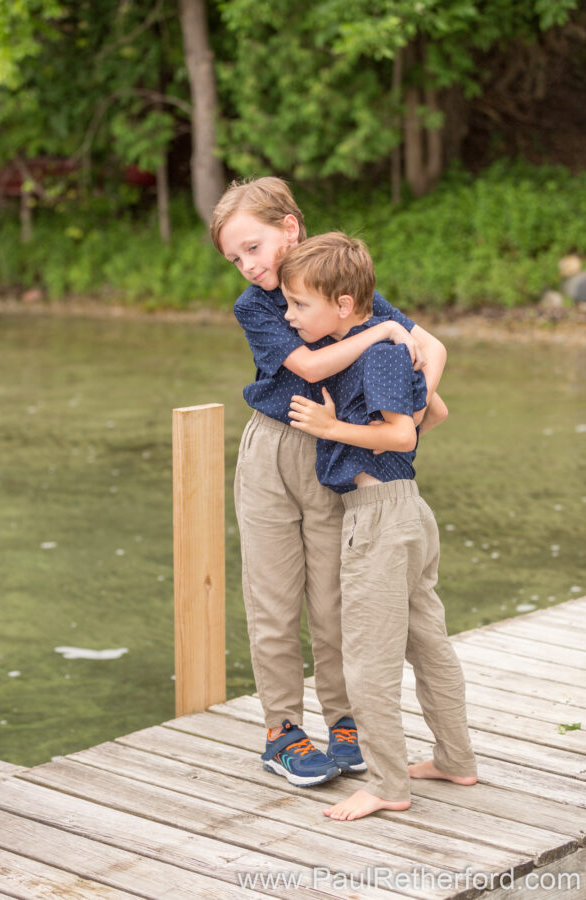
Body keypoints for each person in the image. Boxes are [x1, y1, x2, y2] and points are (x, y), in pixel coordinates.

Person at [210, 177, 448, 787]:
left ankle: (344, 720)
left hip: (333, 451)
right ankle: (282, 730)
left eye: (254, 247)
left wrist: (414, 415)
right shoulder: (255, 305)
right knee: (273, 596)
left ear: (290, 227)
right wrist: (384, 335)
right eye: (236, 259)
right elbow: (311, 365)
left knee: (333, 599)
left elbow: (433, 347)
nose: (248, 266)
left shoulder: (340, 286)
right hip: (270, 452)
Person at [281, 232, 477, 818]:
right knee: (427, 641)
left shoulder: (378, 354)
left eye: (299, 305)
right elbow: (432, 411)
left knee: (365, 657)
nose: (288, 316)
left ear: (343, 305)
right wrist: (382, 435)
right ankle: (456, 760)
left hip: (378, 518)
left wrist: (331, 428)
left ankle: (389, 785)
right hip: (408, 507)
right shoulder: (380, 352)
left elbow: (404, 433)